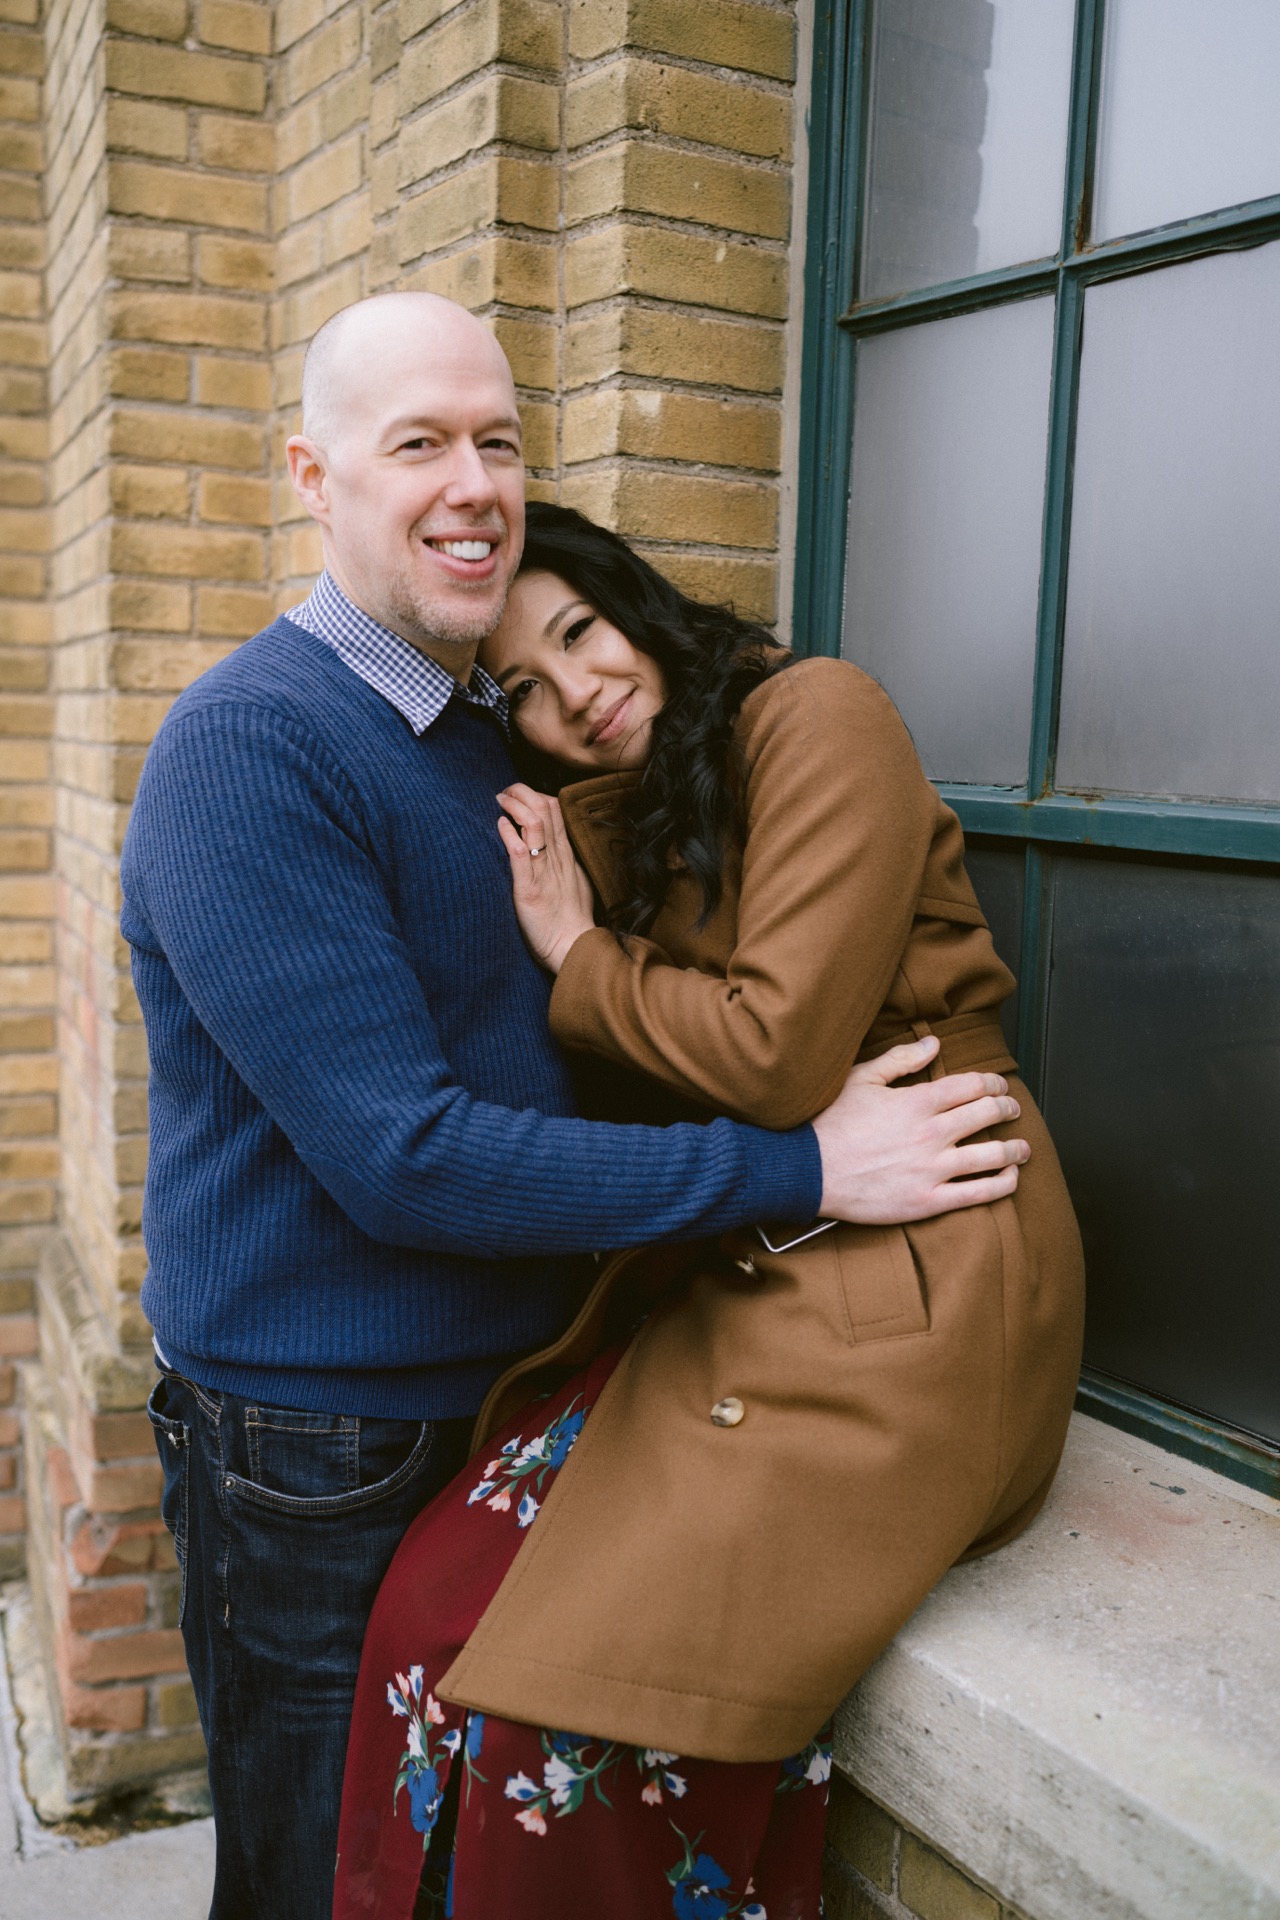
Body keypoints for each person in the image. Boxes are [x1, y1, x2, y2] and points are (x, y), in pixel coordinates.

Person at [123, 292, 1030, 1920]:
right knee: (320, 1880)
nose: (473, 480)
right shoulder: (253, 751)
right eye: (419, 443)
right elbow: (404, 1157)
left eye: (500, 439)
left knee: (457, 1861)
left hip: (525, 1379)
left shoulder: (494, 740)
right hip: (319, 1440)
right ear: (313, 476)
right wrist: (799, 1163)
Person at [332, 503, 1084, 1920]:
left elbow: (777, 1054)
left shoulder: (818, 716)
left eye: (580, 632)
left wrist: (577, 951)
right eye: (529, 698)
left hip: (930, 1248)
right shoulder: (649, 803)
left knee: (585, 1709)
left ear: (635, 601)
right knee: (431, 1604)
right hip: (764, 1255)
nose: (581, 692)